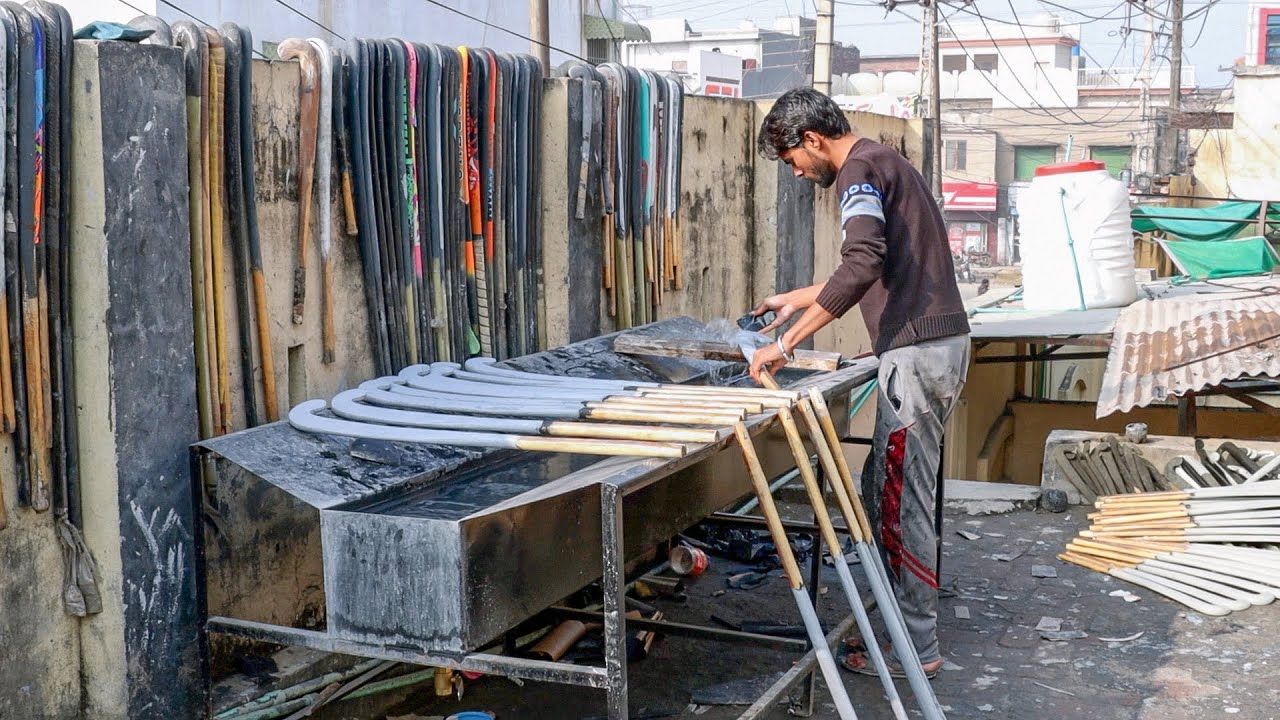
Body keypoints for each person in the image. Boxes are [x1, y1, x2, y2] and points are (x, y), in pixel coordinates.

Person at [748, 88, 971, 679]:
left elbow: (862, 263)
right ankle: (900, 621)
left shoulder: (857, 174)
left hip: (918, 357)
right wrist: (791, 302)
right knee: (886, 488)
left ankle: (914, 648)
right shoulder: (887, 161)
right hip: (939, 348)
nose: (796, 174)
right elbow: (876, 266)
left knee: (900, 506)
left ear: (812, 139)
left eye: (793, 160)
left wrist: (785, 342)